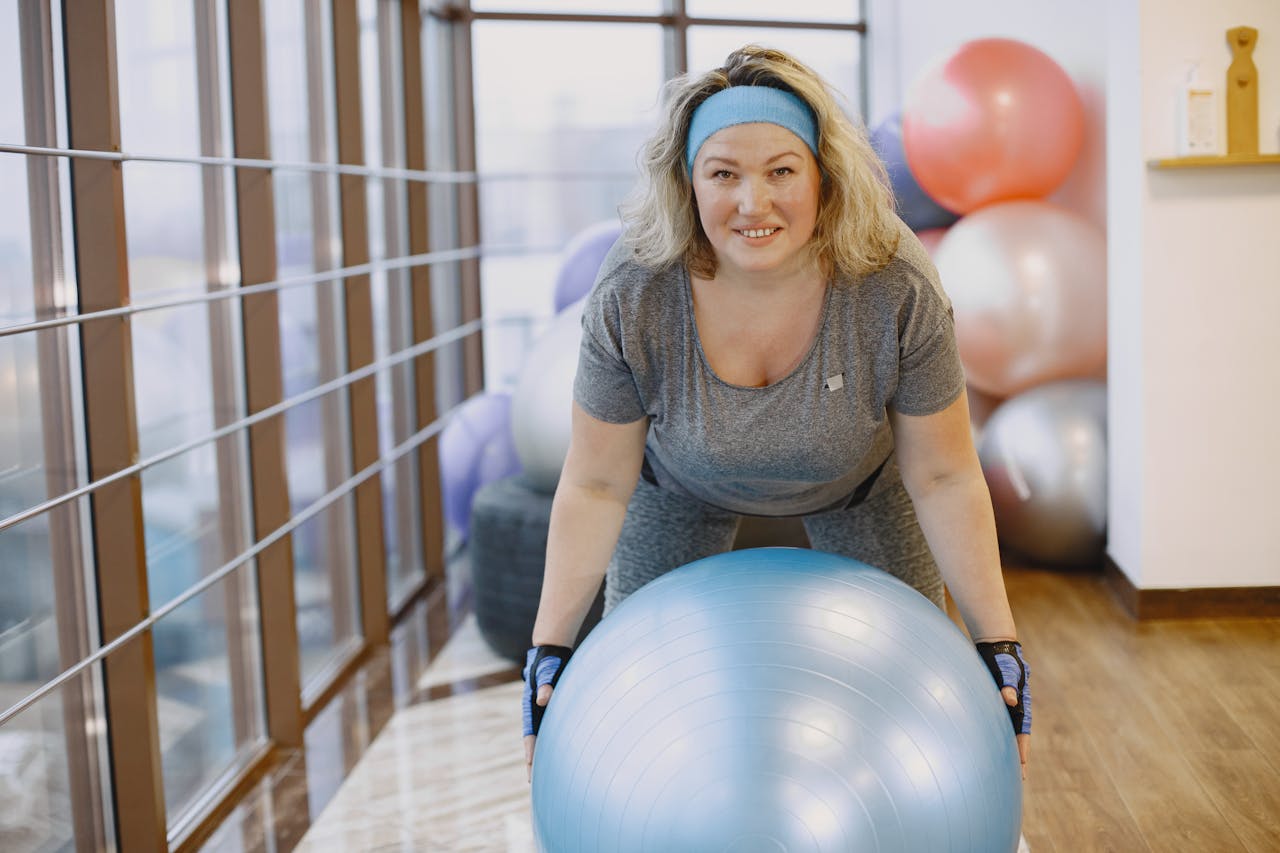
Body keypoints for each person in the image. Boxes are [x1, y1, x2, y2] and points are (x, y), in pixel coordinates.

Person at [521, 45, 1031, 781]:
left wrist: (997, 644)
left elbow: (946, 474)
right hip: (679, 488)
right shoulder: (637, 288)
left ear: (823, 178)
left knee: (903, 700)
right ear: (688, 183)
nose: (752, 203)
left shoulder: (892, 279)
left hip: (862, 486)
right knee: (655, 709)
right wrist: (552, 650)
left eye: (781, 171)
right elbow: (598, 482)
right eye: (723, 173)